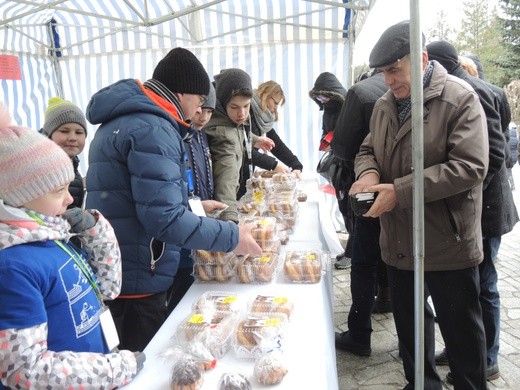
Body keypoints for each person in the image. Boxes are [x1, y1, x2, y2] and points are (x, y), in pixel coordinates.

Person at [86, 48, 263, 352]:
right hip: (140, 272)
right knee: (144, 362)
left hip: (118, 266)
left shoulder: (126, 118)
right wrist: (233, 236)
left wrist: (194, 206)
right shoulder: (153, 128)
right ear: (182, 94)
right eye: (198, 100)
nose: (198, 111)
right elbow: (163, 218)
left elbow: (139, 197)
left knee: (124, 357)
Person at [351, 21, 489, 389]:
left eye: (394, 70)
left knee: (461, 336)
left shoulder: (459, 98)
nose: (388, 80)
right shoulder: (385, 104)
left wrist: (401, 190)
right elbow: (367, 149)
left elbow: (470, 167)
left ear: (422, 59)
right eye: (383, 72)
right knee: (411, 332)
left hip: (447, 240)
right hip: (399, 240)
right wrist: (366, 173)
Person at [0, 102, 144, 389]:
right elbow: (24, 370)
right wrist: (116, 369)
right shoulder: (11, 268)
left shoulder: (52, 237)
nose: (69, 200)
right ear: (18, 197)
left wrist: (96, 231)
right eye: (58, 191)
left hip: (94, 370)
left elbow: (107, 287)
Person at [427, 40, 519, 382]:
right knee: (466, 286)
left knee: (484, 284)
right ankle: (461, 350)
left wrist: (460, 191)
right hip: (472, 208)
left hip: (486, 208)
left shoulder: (474, 92)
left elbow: (497, 155)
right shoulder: (457, 88)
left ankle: (488, 357)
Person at [332, 69, 391, 356]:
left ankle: (359, 334)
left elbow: (342, 147)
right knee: (401, 265)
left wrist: (364, 172)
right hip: (404, 194)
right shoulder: (418, 90)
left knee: (364, 262)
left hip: (372, 195)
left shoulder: (362, 92)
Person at [166, 84, 226, 313]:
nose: (203, 116)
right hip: (183, 226)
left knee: (194, 283)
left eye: (209, 111)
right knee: (181, 284)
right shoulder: (177, 136)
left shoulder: (201, 136)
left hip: (200, 219)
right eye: (200, 109)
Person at [204, 68, 275, 223]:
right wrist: (229, 217)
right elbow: (226, 178)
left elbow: (237, 131)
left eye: (246, 106)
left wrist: (254, 139)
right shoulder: (223, 135)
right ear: (222, 104)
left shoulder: (228, 119)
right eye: (234, 107)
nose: (242, 113)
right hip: (223, 205)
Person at [309, 72, 351, 269]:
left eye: (324, 96)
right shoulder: (328, 108)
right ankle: (351, 250)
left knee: (351, 211)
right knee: (343, 207)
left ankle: (352, 252)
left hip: (350, 167)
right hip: (338, 166)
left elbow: (352, 134)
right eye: (318, 97)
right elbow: (326, 130)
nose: (322, 100)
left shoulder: (348, 105)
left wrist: (335, 138)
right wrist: (325, 139)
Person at [237, 80, 304, 198]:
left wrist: (296, 165)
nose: (275, 108)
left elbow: (276, 144)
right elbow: (242, 149)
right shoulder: (246, 113)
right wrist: (274, 165)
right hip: (236, 176)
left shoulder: (261, 117)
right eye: (276, 103)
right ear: (266, 96)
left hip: (247, 175)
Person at [42, 96, 88, 208]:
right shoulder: (39, 168)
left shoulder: (73, 165)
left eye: (79, 132)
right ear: (49, 134)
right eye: (64, 131)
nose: (72, 137)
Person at [509, 123, 518, 190]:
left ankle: (512, 185)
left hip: (509, 157)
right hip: (515, 157)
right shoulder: (517, 140)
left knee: (509, 172)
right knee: (509, 171)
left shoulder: (508, 139)